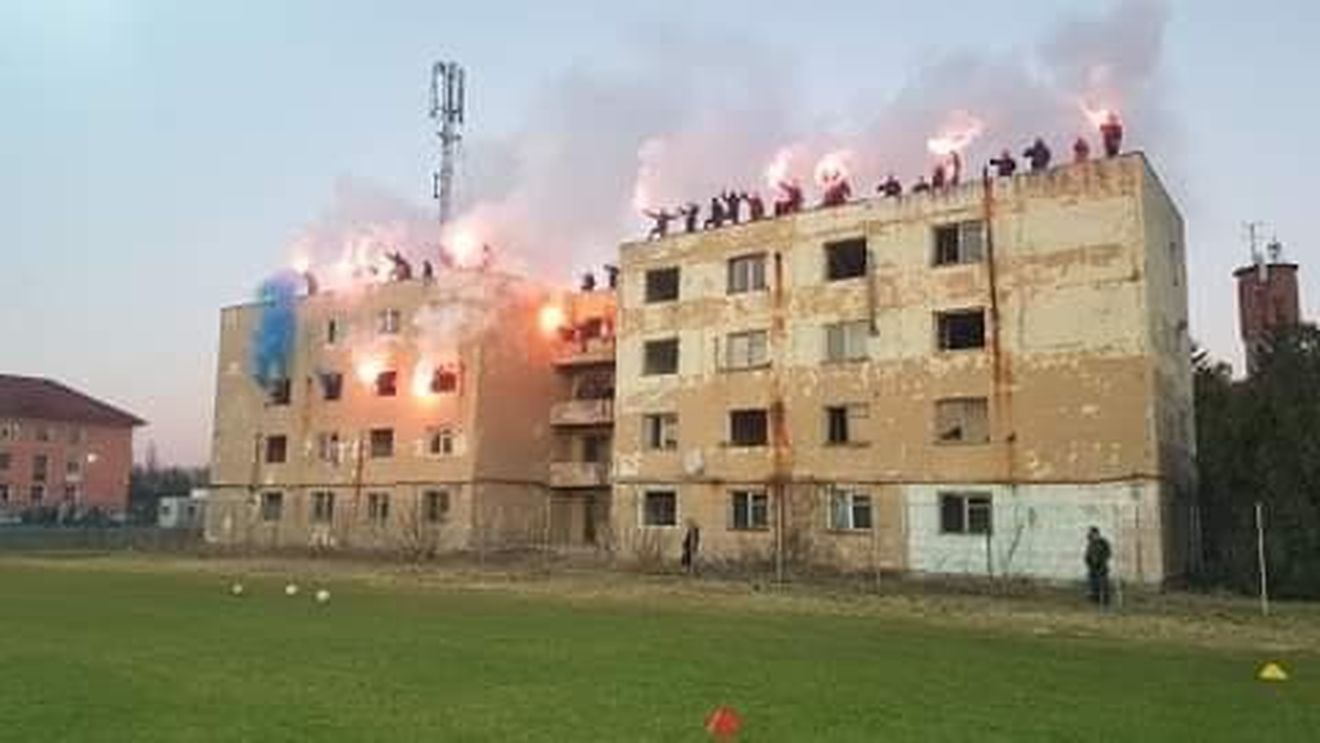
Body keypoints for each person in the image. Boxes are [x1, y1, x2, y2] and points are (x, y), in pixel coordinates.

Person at [1085, 526, 1112, 606]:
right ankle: (1095, 598)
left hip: (1101, 566)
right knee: (1093, 583)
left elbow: (1108, 553)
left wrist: (1102, 561)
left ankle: (1105, 600)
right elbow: (1088, 554)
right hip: (1092, 567)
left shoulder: (1103, 543)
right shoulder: (1091, 543)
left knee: (1103, 583)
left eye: (1092, 534)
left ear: (1096, 533)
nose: (1091, 535)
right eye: (1090, 534)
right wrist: (1089, 562)